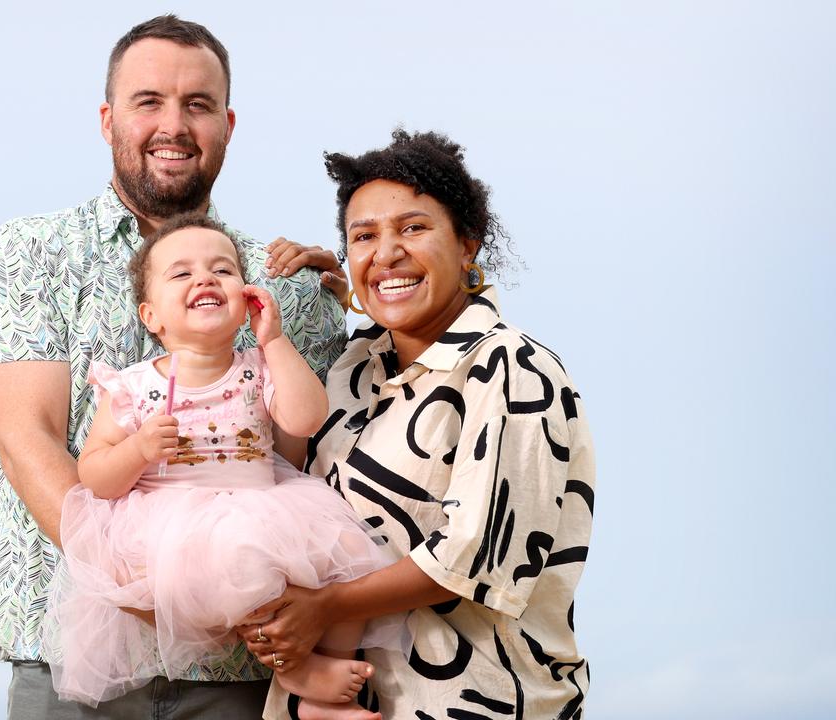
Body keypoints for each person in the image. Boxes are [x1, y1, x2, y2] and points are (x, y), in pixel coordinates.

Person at [0, 15, 345, 720]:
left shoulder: (282, 286)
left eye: (197, 105)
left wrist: (352, 299)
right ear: (107, 119)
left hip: (240, 667)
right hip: (77, 662)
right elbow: (30, 446)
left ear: (228, 124)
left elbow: (317, 450)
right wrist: (144, 594)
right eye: (148, 102)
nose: (174, 124)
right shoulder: (31, 253)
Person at [240, 130, 596, 719]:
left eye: (412, 228)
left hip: (473, 701)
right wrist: (319, 297)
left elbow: (471, 556)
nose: (386, 252)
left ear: (467, 246)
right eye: (364, 237)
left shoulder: (511, 368)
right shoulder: (351, 366)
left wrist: (323, 608)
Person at [44, 214, 402, 719]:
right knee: (239, 558)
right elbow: (94, 476)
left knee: (349, 553)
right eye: (181, 273)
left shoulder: (259, 366)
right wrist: (139, 450)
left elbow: (307, 416)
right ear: (152, 316)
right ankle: (294, 670)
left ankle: (324, 676)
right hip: (173, 525)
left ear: (246, 300)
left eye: (223, 270)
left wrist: (275, 341)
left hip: (264, 502)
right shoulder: (132, 385)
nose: (205, 279)